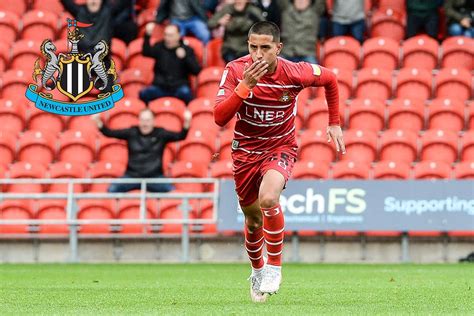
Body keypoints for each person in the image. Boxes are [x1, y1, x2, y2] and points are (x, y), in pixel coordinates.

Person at [213, 21, 345, 302]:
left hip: (280, 146)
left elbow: (331, 79)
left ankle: (274, 267)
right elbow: (219, 117)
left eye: (265, 48)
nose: (258, 54)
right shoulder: (236, 70)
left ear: (278, 48)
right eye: (253, 47)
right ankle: (257, 269)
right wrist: (245, 86)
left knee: (269, 199)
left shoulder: (294, 72)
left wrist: (334, 122)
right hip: (245, 152)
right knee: (252, 220)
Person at [92, 109, 192, 193]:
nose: (145, 123)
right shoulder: (132, 132)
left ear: (153, 121)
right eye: (143, 120)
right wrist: (98, 121)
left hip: (155, 177)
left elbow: (180, 136)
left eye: (148, 120)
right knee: (112, 190)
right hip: (132, 175)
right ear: (139, 121)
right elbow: (109, 133)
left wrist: (187, 121)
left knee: (173, 193)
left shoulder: (160, 133)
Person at [139, 23, 201, 105]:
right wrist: (147, 35)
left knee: (186, 93)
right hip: (160, 87)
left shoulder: (187, 50)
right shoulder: (159, 46)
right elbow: (146, 52)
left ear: (178, 36)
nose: (167, 38)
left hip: (179, 87)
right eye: (166, 35)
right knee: (144, 94)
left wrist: (185, 57)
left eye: (171, 35)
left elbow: (196, 71)